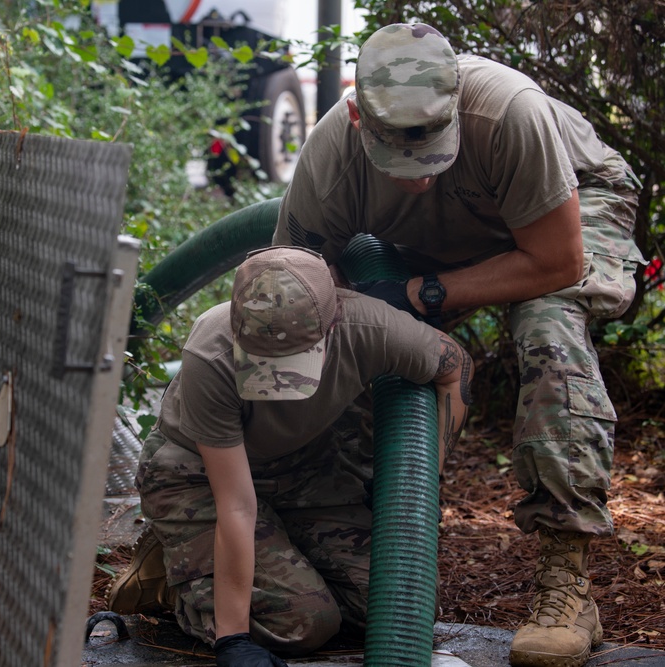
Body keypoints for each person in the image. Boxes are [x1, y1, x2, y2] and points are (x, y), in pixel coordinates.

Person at [273, 22, 646, 667]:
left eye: (432, 150)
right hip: (442, 235)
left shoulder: (510, 112)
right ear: (360, 116)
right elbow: (292, 298)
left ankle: (566, 583)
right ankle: (331, 536)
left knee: (547, 326)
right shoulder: (330, 159)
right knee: (341, 336)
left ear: (453, 108)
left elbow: (557, 261)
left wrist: (422, 296)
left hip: (571, 209)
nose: (416, 177)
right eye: (399, 157)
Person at [108, 245, 474, 665]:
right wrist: (232, 638)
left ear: (333, 320)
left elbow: (455, 367)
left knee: (394, 606)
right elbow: (237, 505)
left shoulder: (371, 325)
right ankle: (172, 576)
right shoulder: (211, 352)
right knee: (301, 624)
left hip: (307, 468)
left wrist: (417, 481)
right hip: (199, 476)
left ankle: (266, 552)